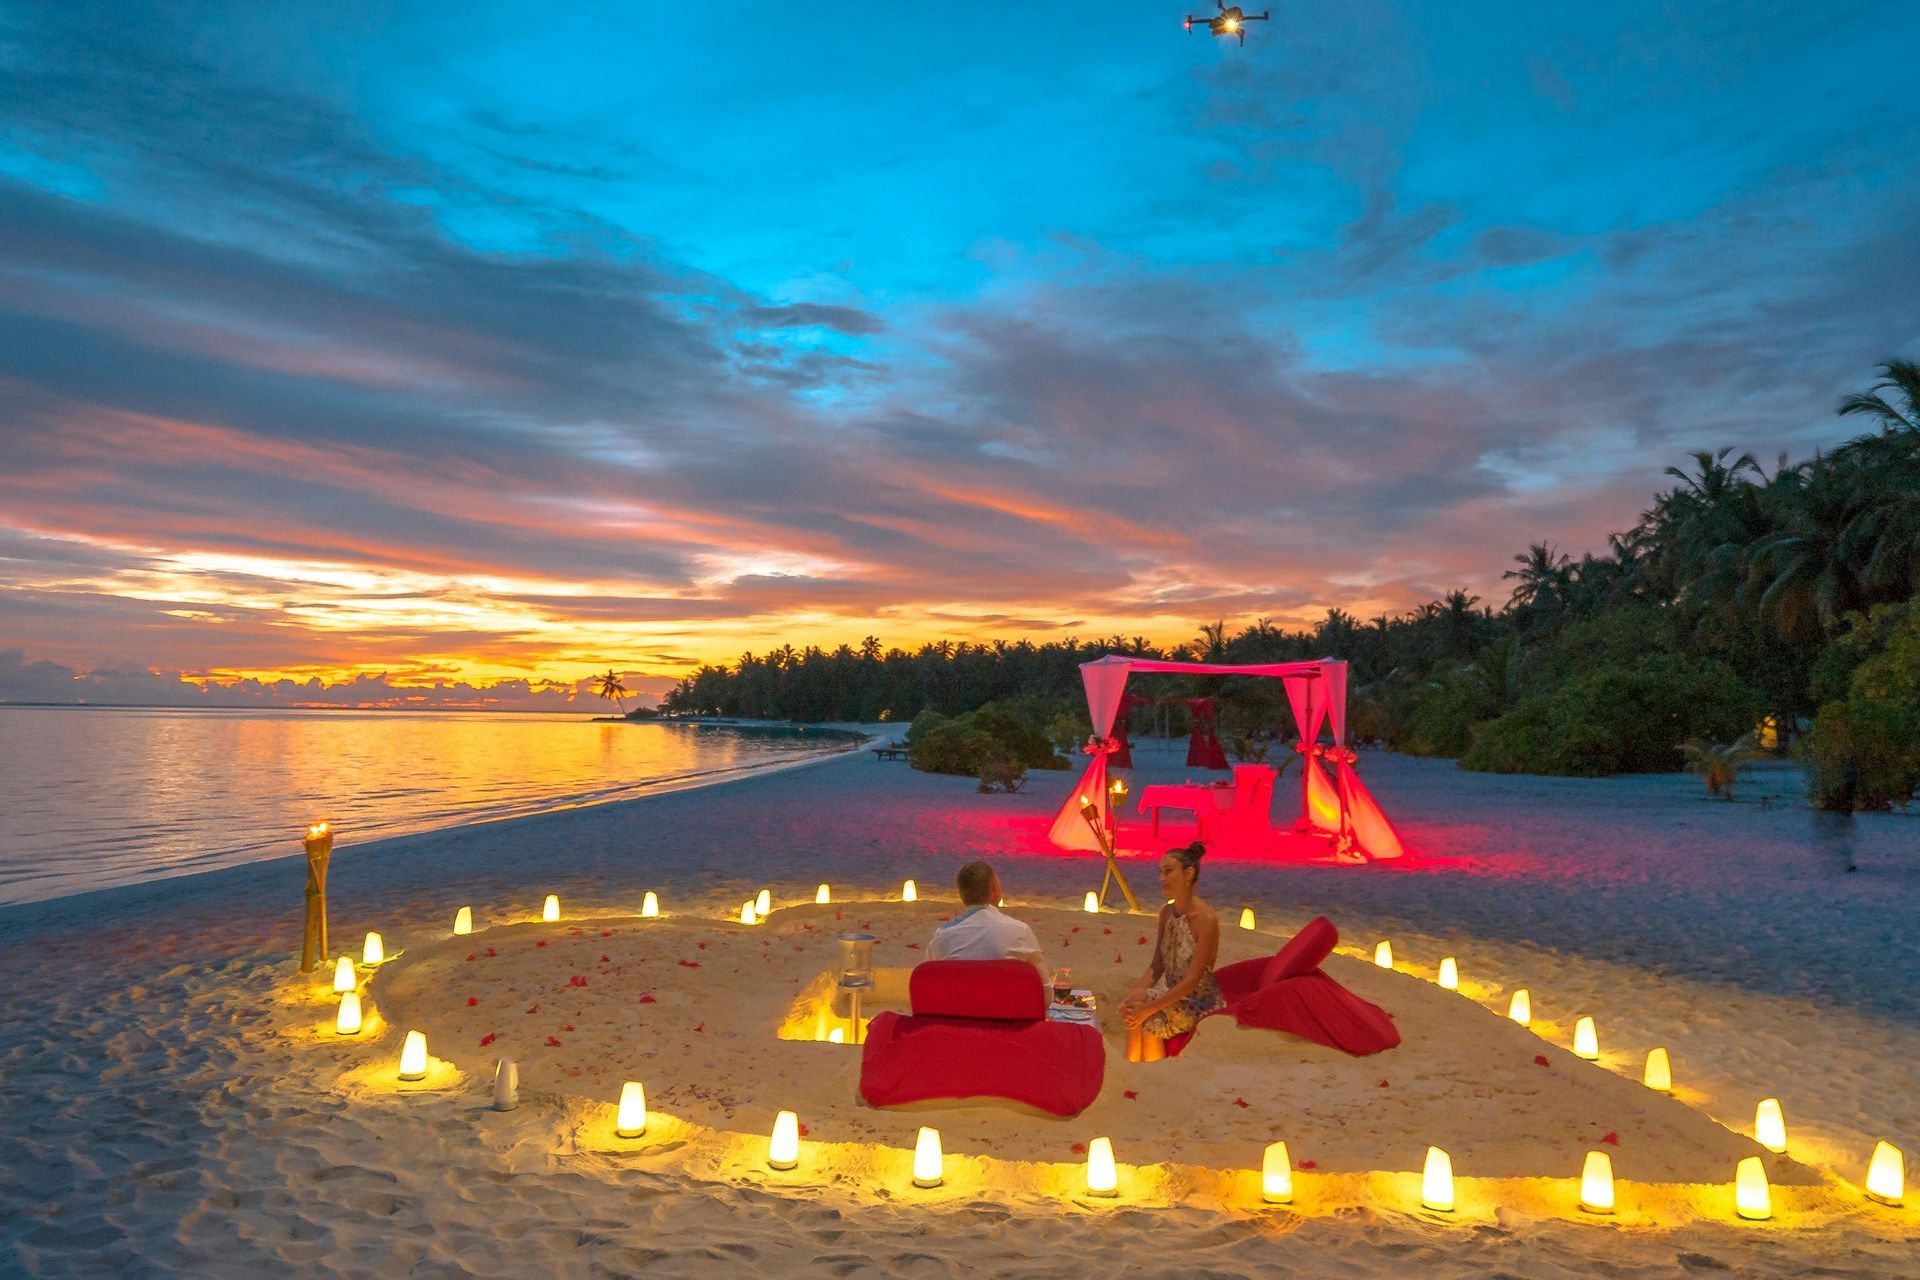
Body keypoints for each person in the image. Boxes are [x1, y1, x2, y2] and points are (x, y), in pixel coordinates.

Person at [1119, 843, 1224, 1062]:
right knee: (1134, 1005)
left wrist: (1147, 1009)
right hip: (1173, 995)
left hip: (1198, 1002)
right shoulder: (1166, 913)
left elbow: (1193, 980)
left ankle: (1150, 1071)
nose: (1162, 878)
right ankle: (1132, 1068)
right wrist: (1131, 997)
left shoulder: (1205, 919)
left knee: (1147, 1017)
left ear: (1189, 872)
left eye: (1168, 871)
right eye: (1161, 872)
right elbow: (1156, 966)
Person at [927, 860, 1045, 969]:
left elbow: (929, 982)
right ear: (994, 890)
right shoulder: (1020, 932)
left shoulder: (941, 937)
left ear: (962, 895)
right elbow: (1042, 986)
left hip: (962, 992)